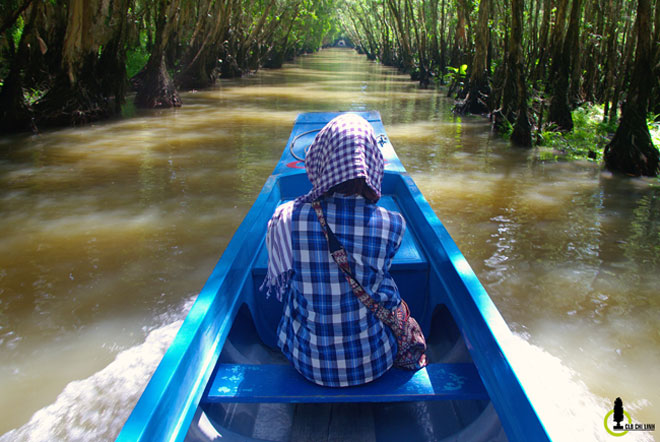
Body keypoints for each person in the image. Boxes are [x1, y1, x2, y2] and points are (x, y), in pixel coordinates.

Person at [262, 113, 406, 387]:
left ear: (320, 159)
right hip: (375, 360)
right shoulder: (393, 224)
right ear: (373, 163)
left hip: (308, 363)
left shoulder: (286, 217)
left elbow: (284, 279)